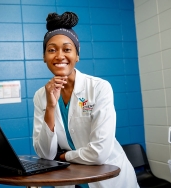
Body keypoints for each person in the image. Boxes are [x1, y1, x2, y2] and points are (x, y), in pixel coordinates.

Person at [32, 12, 139, 188]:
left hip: (109, 179)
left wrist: (63, 156)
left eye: (67, 49)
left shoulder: (99, 88)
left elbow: (99, 153)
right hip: (70, 180)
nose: (59, 56)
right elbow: (44, 153)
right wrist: (50, 107)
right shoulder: (40, 96)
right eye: (51, 50)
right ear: (44, 57)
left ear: (77, 55)